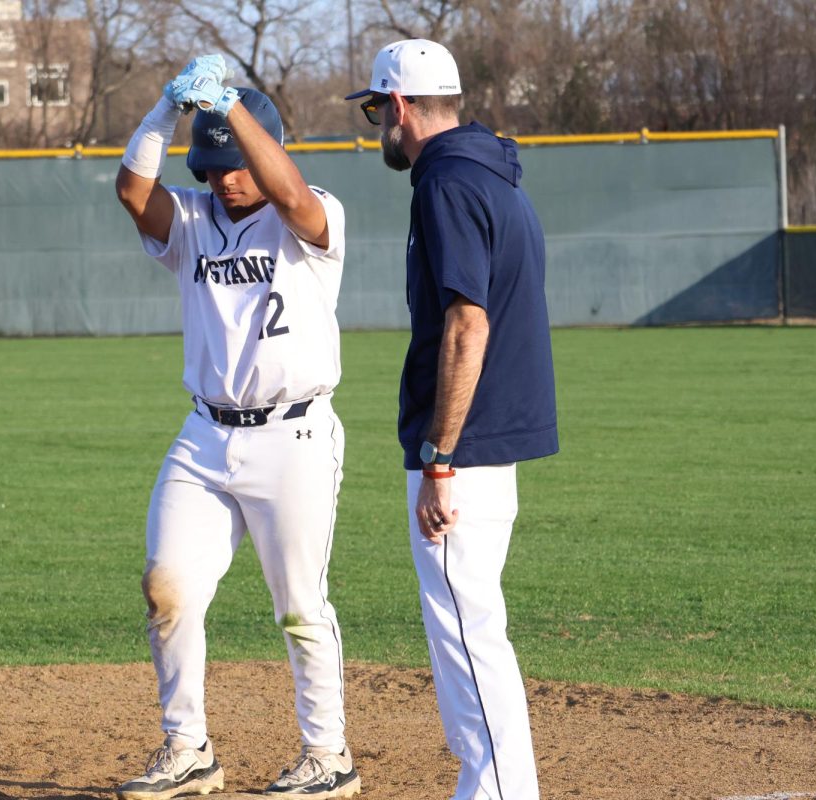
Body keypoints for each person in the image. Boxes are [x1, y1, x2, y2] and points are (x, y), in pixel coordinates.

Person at [113, 55, 360, 800]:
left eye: (235, 162)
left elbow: (285, 188)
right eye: (212, 164)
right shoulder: (190, 220)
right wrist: (165, 111)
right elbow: (133, 189)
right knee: (169, 589)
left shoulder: (313, 211)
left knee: (299, 607)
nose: (224, 178)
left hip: (295, 437)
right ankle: (187, 748)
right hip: (206, 437)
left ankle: (329, 756)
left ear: (262, 148)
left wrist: (229, 108)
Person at [345, 40, 559, 800]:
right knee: (476, 632)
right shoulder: (492, 174)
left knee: (468, 640)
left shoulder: (446, 183)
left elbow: (469, 325)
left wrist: (440, 458)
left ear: (400, 107)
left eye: (375, 109)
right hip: (486, 447)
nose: (376, 126)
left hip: (461, 457)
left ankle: (498, 792)